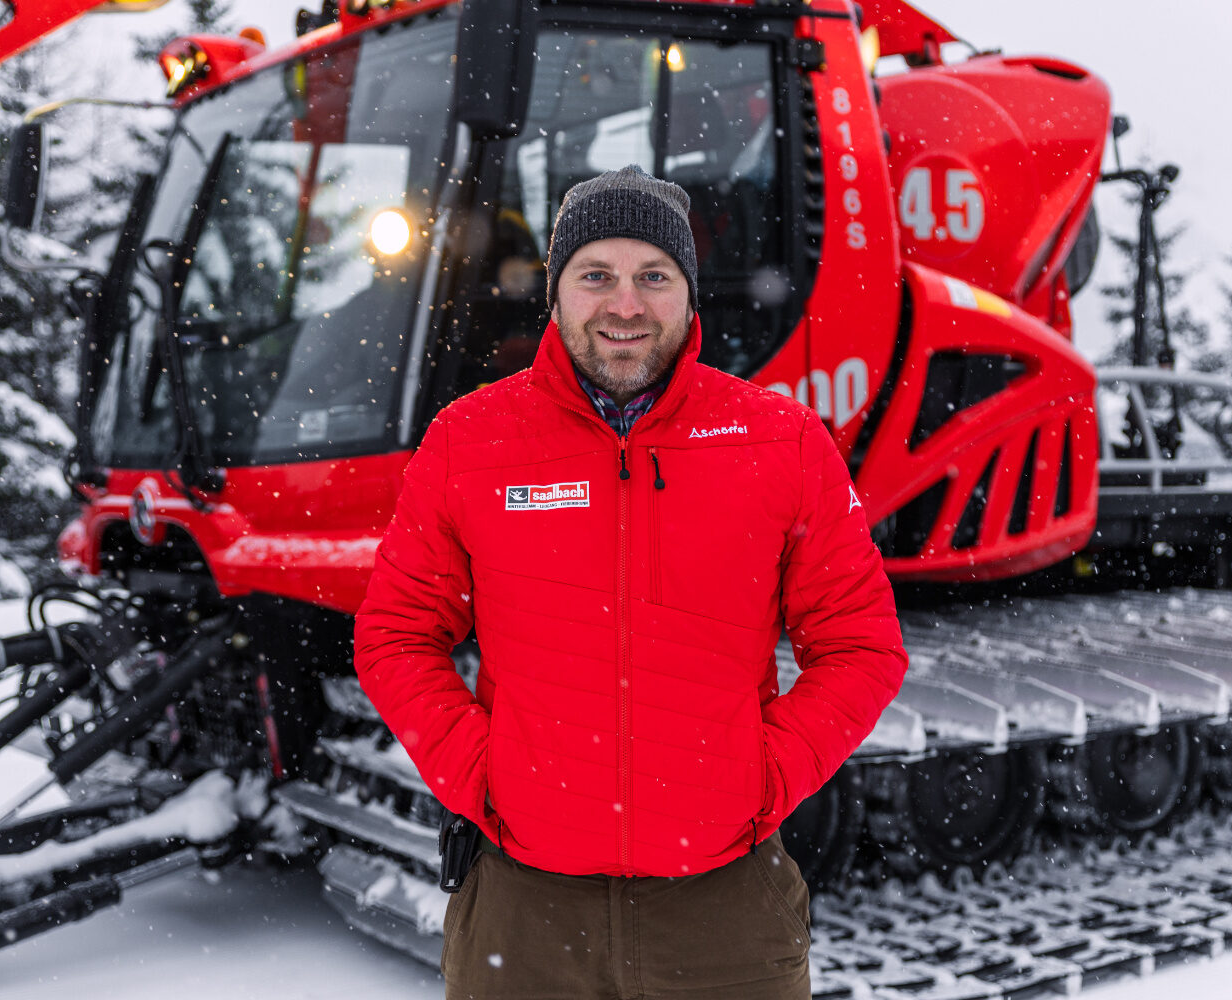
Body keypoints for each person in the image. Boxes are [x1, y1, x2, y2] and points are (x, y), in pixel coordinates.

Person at [355, 165, 907, 1000]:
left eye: (654, 275)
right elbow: (396, 634)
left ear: (689, 293)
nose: (624, 305)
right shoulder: (470, 442)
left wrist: (763, 778)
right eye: (596, 275)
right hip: (523, 912)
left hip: (724, 913)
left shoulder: (780, 442)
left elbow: (861, 646)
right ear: (557, 290)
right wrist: (484, 774)